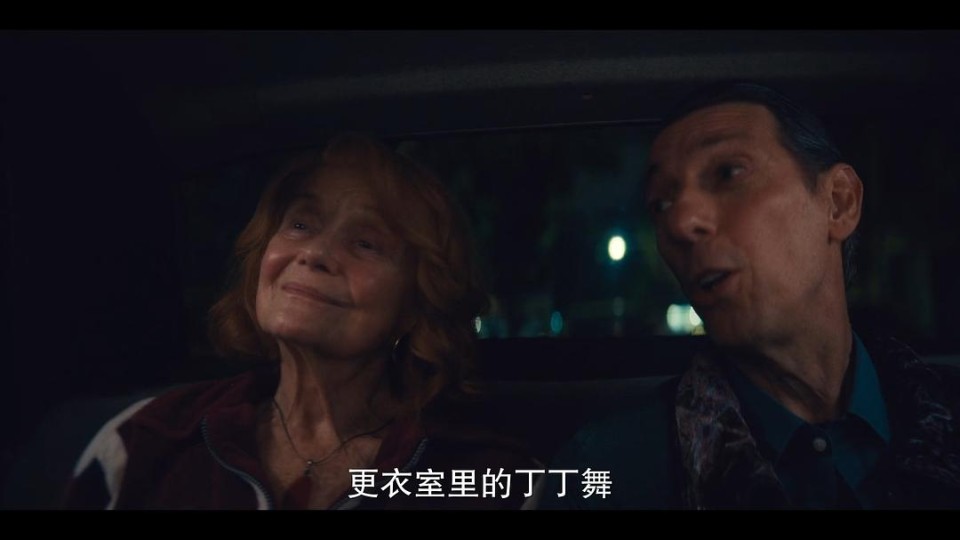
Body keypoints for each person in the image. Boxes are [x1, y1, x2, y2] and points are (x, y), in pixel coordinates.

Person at [537, 83, 960, 509]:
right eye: (660, 204)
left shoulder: (942, 411)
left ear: (838, 202)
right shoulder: (609, 469)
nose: (681, 222)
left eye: (728, 173)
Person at [64, 134, 536, 509]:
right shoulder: (149, 439)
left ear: (417, 303)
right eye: (301, 224)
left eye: (366, 243)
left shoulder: (489, 480)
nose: (314, 253)